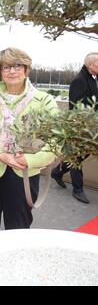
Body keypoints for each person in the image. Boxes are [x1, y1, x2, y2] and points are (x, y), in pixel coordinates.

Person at [0, 47, 57, 233]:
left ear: (26, 69)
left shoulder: (44, 101)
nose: (12, 71)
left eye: (17, 66)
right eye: (6, 67)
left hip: (23, 173)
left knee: (18, 228)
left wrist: (29, 160)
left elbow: (55, 140)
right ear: (0, 72)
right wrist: (1, 155)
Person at [51, 52, 98, 204]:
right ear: (90, 65)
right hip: (80, 127)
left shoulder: (94, 78)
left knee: (81, 155)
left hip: (92, 128)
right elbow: (76, 107)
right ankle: (78, 189)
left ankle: (57, 172)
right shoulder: (79, 81)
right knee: (77, 157)